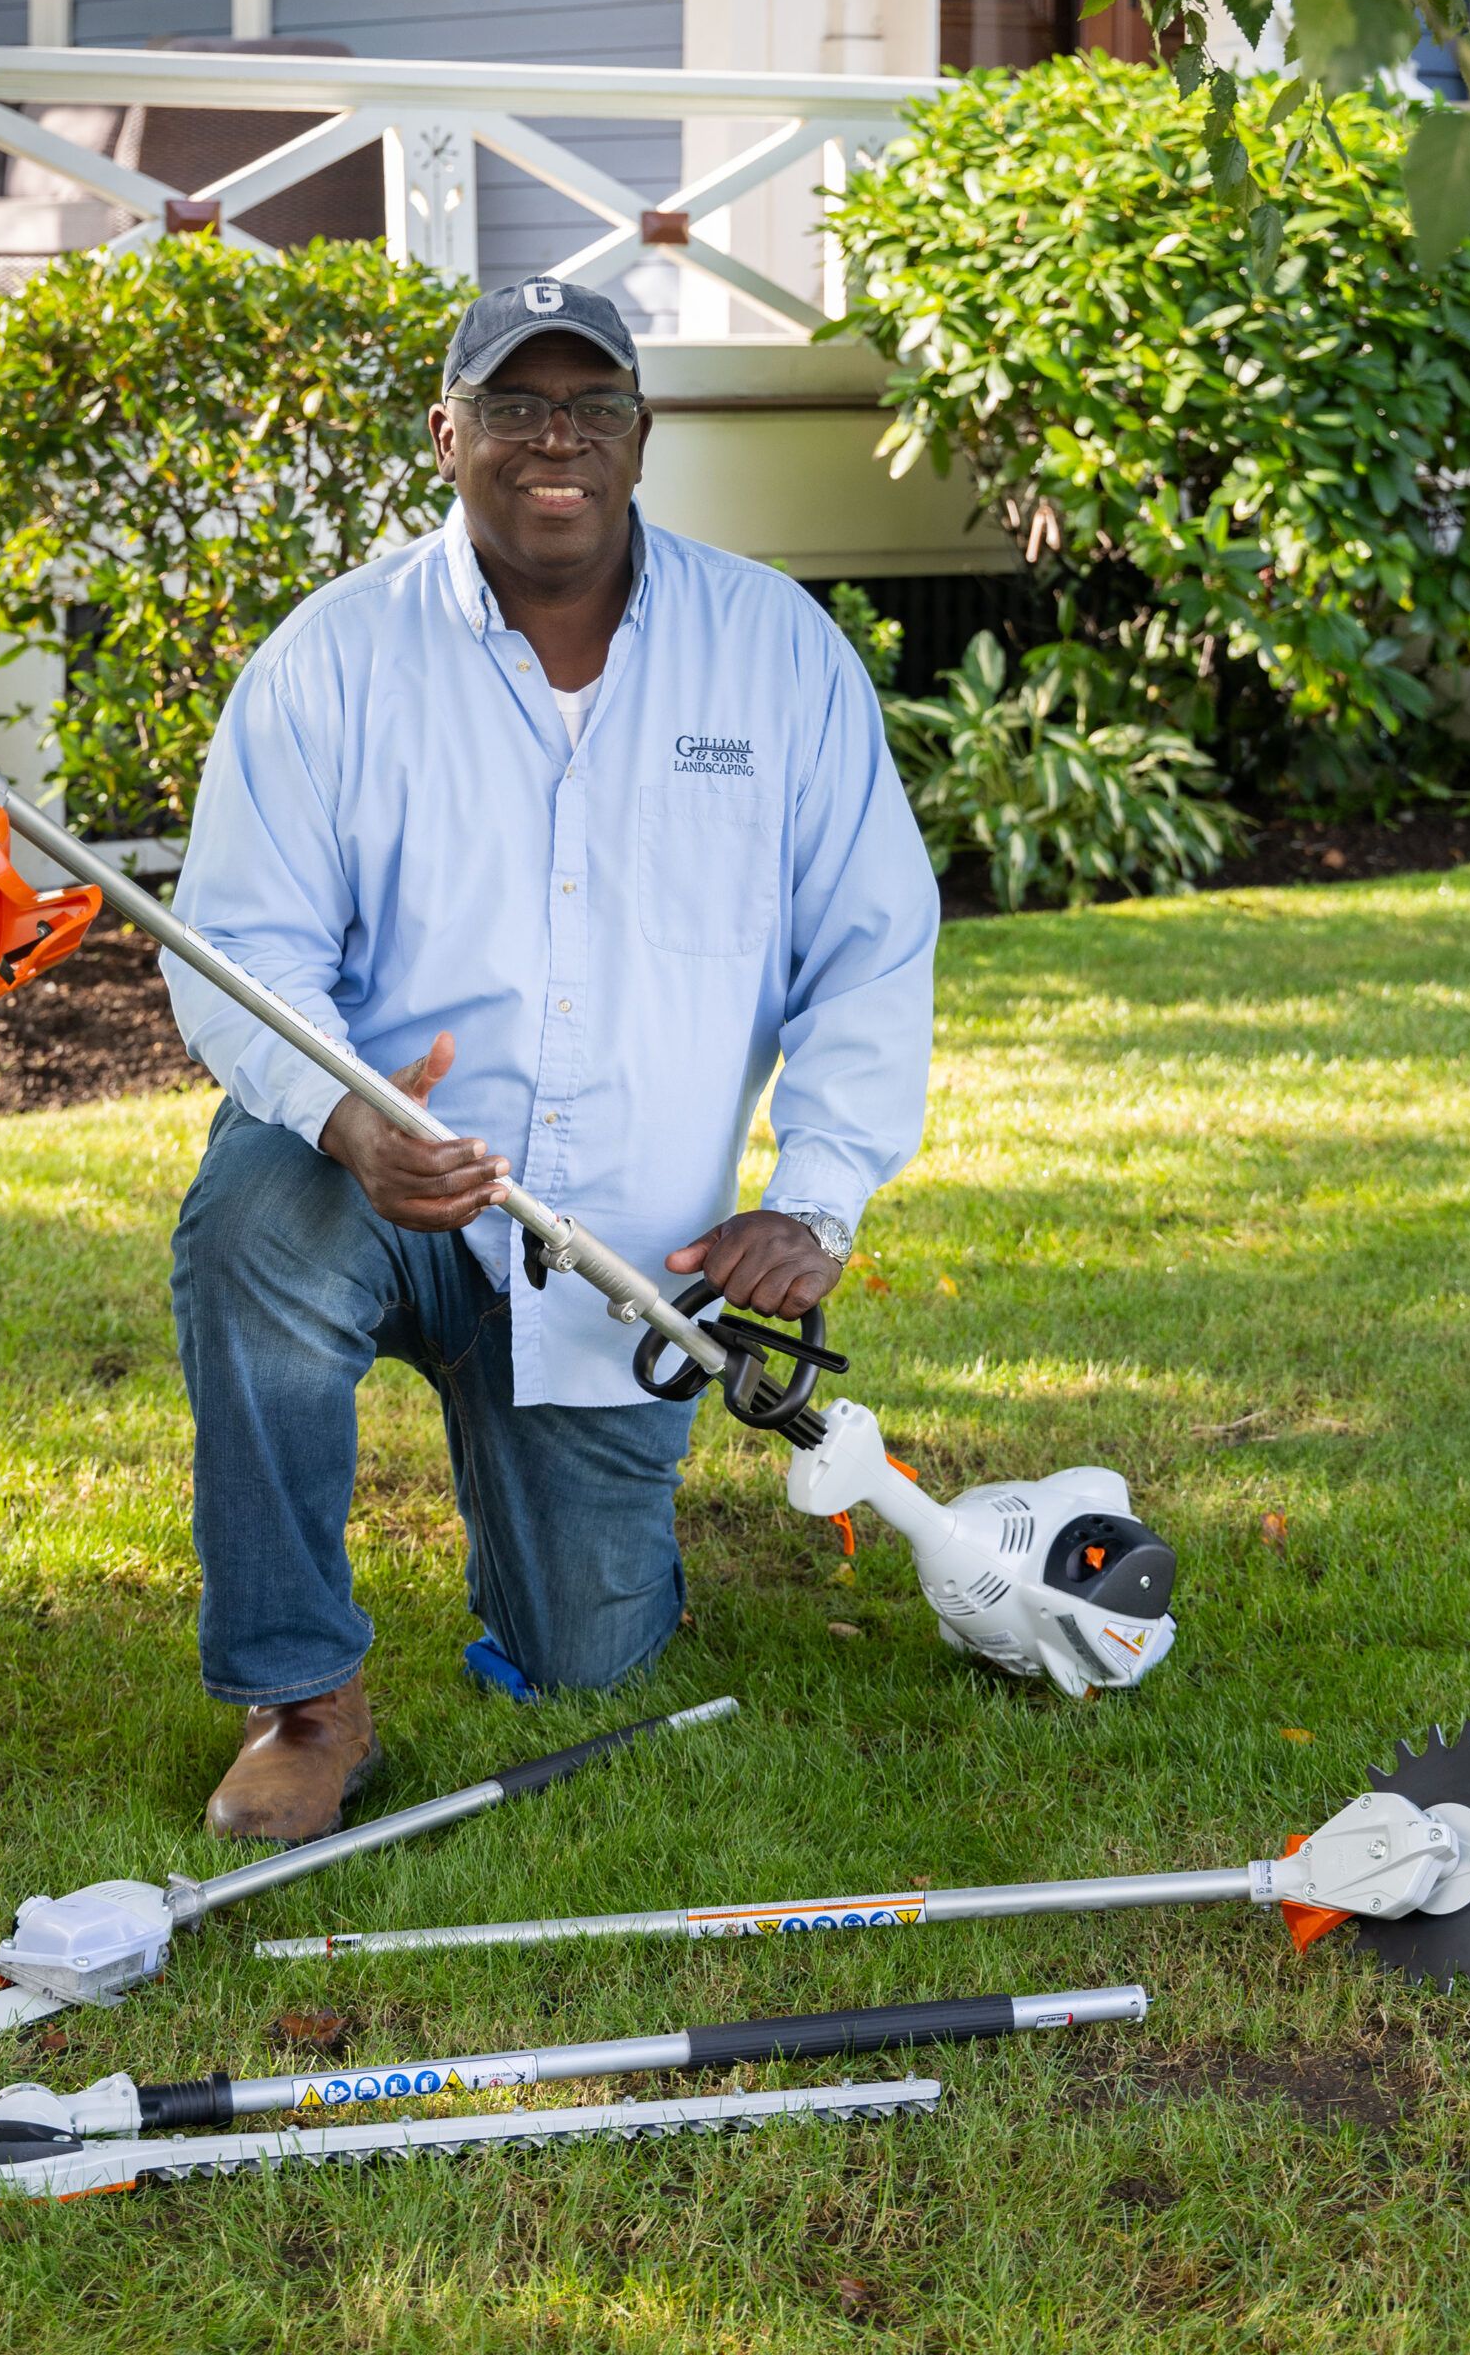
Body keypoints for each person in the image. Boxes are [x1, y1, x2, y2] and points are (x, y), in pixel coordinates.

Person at [162, 278, 939, 1843]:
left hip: (621, 1256)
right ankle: (302, 1694)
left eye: (592, 408)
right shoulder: (331, 662)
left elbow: (871, 944)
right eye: (515, 408)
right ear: (449, 436)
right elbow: (240, 947)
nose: (555, 442)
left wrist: (822, 1198)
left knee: (590, 1665)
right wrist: (338, 1118)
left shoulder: (775, 655)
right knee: (247, 1231)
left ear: (645, 438)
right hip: (389, 1178)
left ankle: (549, 1571)